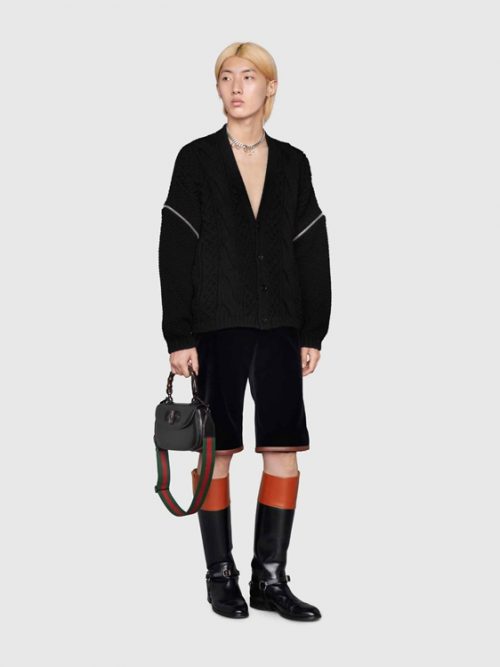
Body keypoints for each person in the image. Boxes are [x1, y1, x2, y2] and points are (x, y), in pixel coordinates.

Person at [158, 42, 332, 621]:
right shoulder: (196, 159)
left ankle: (270, 579)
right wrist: (179, 335)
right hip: (216, 325)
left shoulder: (294, 164)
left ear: (270, 87)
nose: (237, 87)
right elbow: (175, 249)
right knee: (218, 452)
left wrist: (313, 330)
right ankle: (220, 576)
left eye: (249, 77)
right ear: (218, 88)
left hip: (280, 324)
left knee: (283, 450)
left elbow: (312, 248)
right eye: (226, 77)